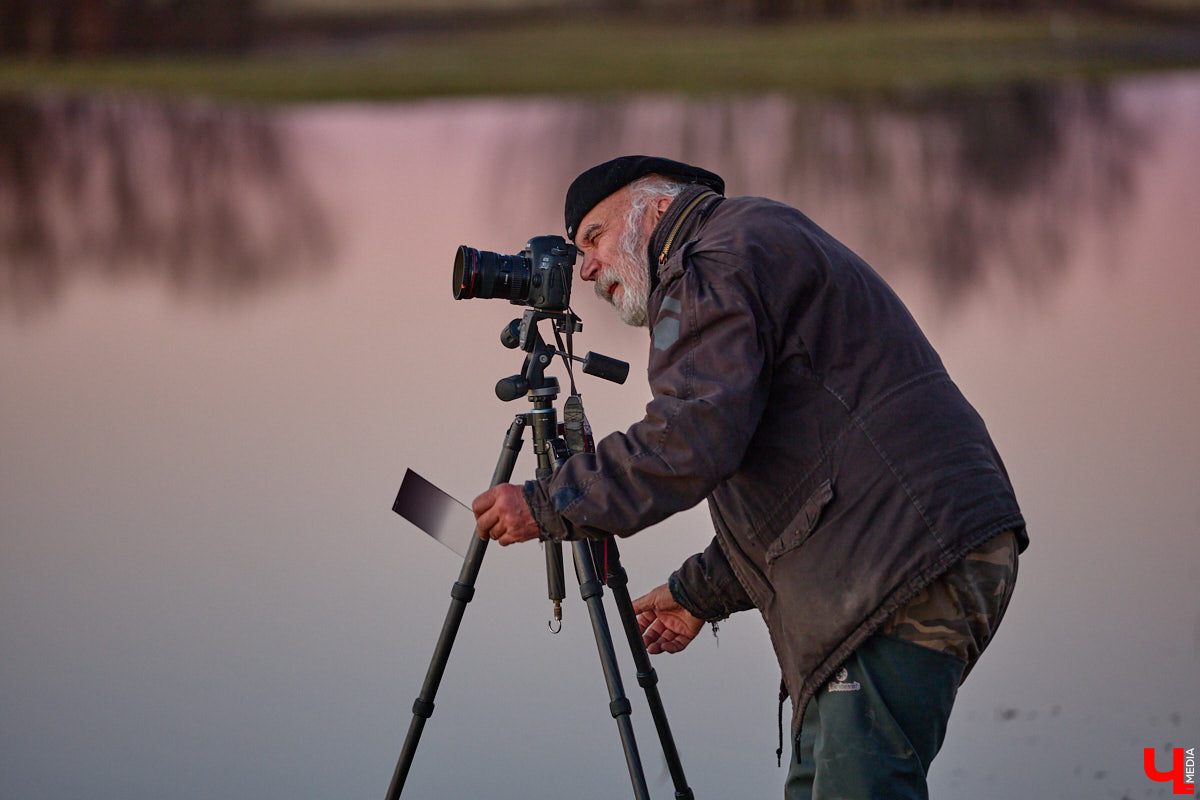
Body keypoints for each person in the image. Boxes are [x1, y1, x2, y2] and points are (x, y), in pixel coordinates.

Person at [471, 155, 1027, 799]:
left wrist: (548, 503)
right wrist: (696, 593)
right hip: (902, 549)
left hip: (895, 564)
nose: (586, 267)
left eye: (594, 237)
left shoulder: (709, 264)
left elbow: (689, 439)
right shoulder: (746, 236)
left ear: (653, 208)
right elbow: (807, 478)